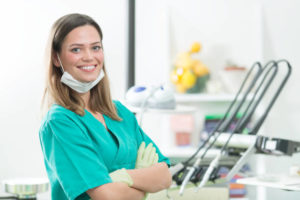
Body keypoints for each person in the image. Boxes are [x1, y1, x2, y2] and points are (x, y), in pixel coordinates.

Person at [39, 13, 172, 200]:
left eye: (95, 47)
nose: (89, 57)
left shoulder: (120, 113)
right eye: (76, 50)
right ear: (55, 58)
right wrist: (144, 184)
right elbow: (106, 196)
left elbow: (165, 176)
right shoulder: (60, 121)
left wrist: (125, 177)